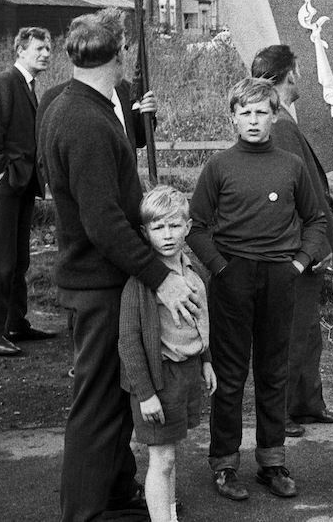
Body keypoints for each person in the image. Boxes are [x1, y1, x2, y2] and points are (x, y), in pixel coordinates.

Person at [40, 9, 202, 522]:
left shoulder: (81, 106)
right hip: (97, 281)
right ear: (120, 52)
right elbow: (104, 223)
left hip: (100, 276)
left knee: (114, 397)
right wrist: (162, 279)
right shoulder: (84, 120)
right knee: (96, 404)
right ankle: (85, 512)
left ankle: (112, 492)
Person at [189, 77, 328, 501]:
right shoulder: (219, 166)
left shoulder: (291, 165)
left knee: (273, 372)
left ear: (274, 116)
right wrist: (220, 267)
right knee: (230, 376)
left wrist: (297, 264)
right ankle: (225, 464)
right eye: (245, 112)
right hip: (232, 278)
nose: (253, 120)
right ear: (233, 117)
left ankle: (272, 462)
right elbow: (196, 225)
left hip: (278, 278)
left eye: (261, 112)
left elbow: (316, 220)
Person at [249, 45, 333, 438]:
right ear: (290, 74)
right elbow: (294, 194)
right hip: (294, 247)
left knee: (306, 329)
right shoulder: (281, 125)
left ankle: (307, 401)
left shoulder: (279, 121)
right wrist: (315, 246)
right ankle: (281, 412)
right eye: (298, 69)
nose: (301, 76)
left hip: (293, 244)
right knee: (291, 332)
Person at [119, 186, 217, 522]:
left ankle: (170, 514)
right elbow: (128, 342)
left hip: (185, 375)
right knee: (161, 460)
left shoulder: (193, 272)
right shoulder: (141, 283)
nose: (167, 235)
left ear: (187, 227)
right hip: (157, 380)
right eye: (158, 227)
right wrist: (146, 395)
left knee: (171, 456)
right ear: (145, 232)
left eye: (174, 225)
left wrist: (206, 361)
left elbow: (199, 321)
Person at [0, 26, 56, 357]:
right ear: (20, 51)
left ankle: (15, 324)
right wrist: (1, 175)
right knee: (2, 259)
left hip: (21, 184)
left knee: (19, 258)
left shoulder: (28, 86)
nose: (46, 54)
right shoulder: (4, 83)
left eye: (48, 49)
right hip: (4, 184)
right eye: (39, 48)